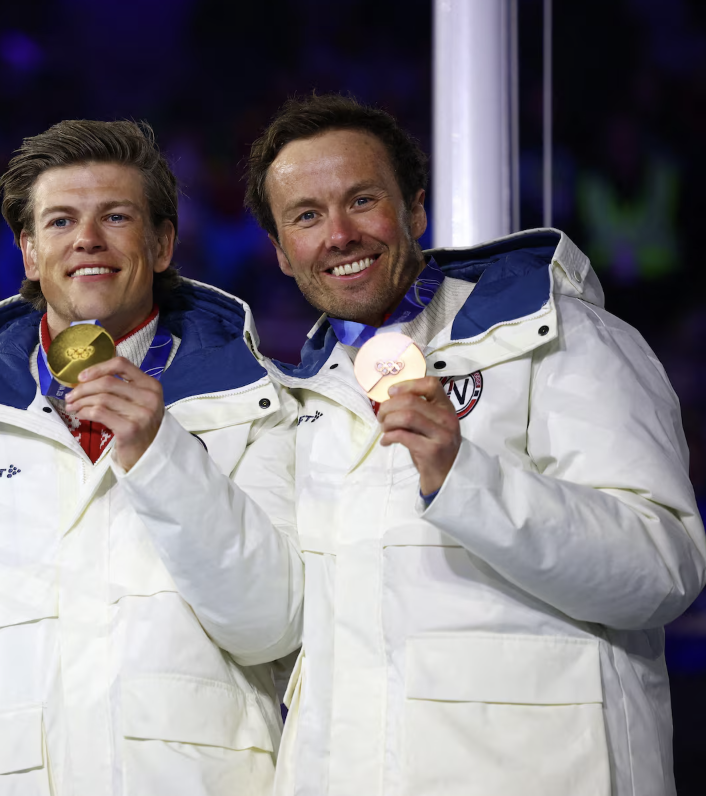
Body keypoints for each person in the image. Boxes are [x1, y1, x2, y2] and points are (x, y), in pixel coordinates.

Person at [244, 93, 706, 796]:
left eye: (362, 200)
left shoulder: (562, 334)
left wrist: (464, 478)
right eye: (306, 216)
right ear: (281, 253)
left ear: (416, 213)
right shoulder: (299, 398)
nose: (338, 234)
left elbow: (662, 566)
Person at [0, 120, 304, 795]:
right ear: (28, 252)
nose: (87, 239)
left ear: (162, 244)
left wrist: (161, 453)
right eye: (60, 221)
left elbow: (271, 626)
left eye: (116, 216)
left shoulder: (256, 402)